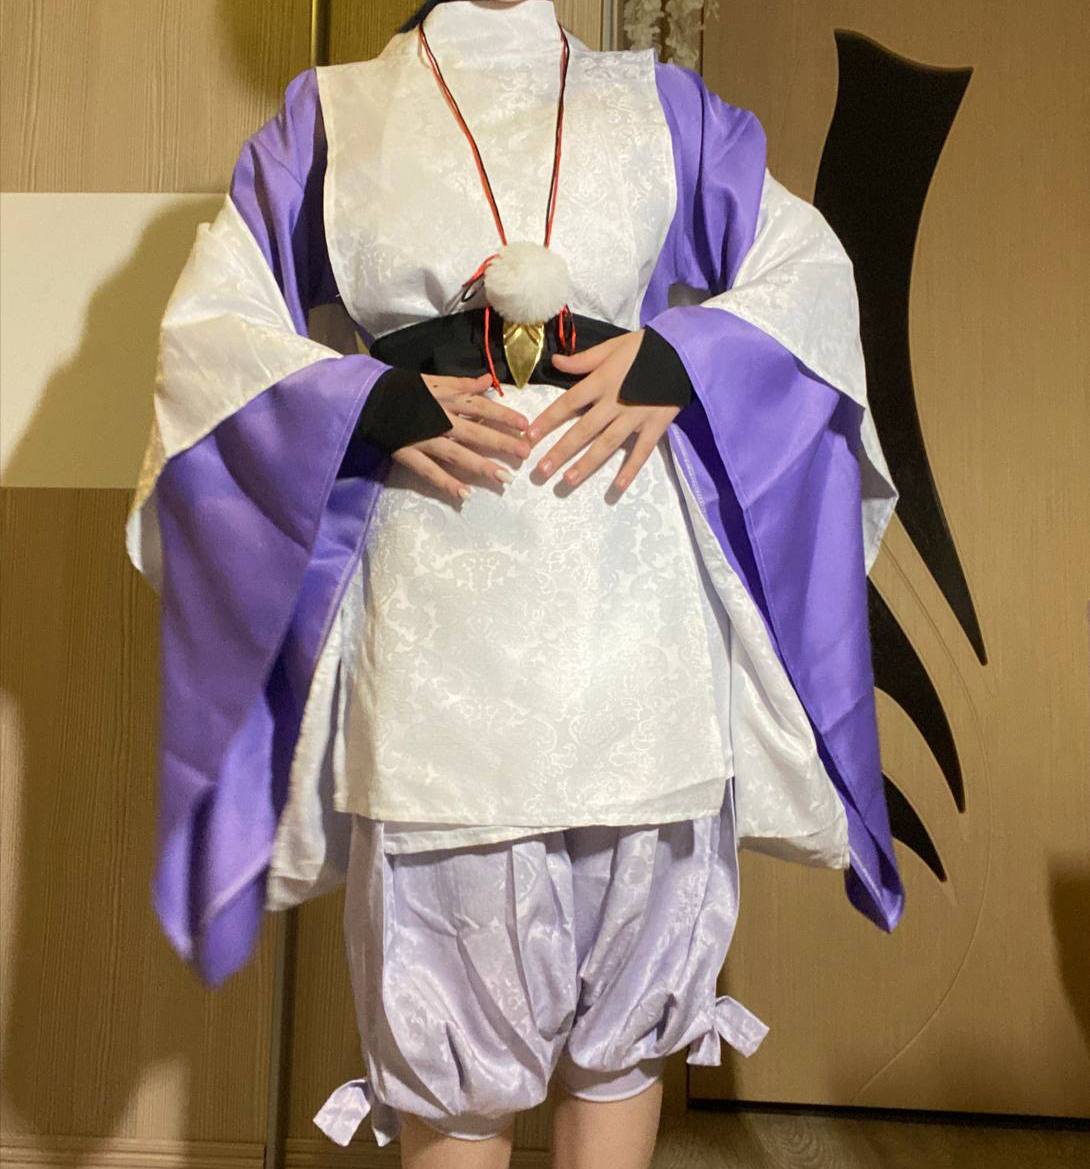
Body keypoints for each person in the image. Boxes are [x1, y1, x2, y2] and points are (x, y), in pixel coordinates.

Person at [124, 2, 904, 1165]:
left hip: (635, 597)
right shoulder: (330, 116)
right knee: (453, 1030)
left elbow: (809, 274)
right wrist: (365, 400)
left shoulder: (662, 106)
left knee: (627, 1015)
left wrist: (684, 356)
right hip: (438, 604)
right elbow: (212, 332)